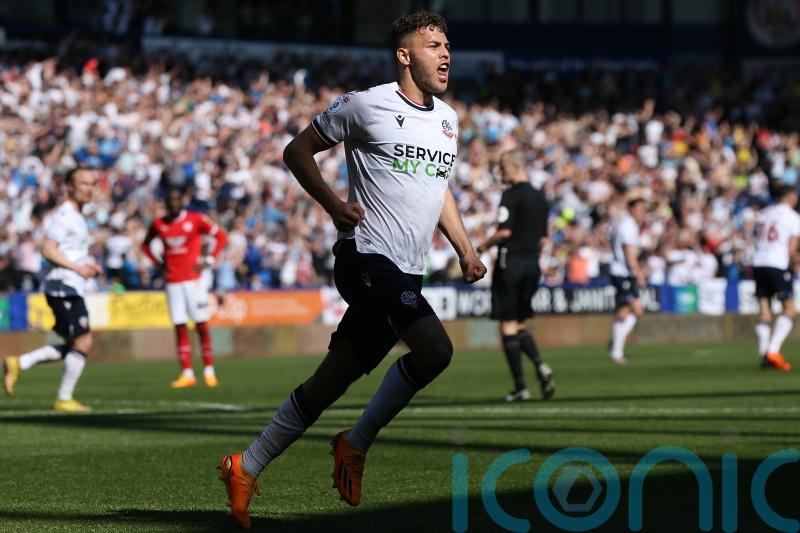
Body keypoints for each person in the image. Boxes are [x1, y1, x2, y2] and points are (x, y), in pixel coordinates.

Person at [216, 11, 486, 529]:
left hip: (407, 272)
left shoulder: (448, 119)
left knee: (329, 384)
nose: (446, 53)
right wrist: (334, 205)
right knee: (435, 349)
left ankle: (245, 466)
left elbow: (439, 189)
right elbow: (297, 150)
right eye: (433, 45)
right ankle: (356, 443)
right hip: (364, 258)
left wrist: (465, 249)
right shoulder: (367, 104)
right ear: (405, 55)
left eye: (447, 45)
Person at [3, 167, 102, 412]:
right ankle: (63, 398)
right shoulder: (65, 216)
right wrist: (78, 268)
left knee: (75, 345)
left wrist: (85, 265)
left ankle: (19, 362)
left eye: (92, 183)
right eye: (83, 183)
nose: (89, 188)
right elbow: (48, 249)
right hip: (62, 288)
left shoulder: (78, 216)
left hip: (70, 287)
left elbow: (68, 250)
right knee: (83, 342)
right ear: (69, 186)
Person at [476, 149, 555, 401]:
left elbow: (504, 233)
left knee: (507, 325)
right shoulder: (540, 197)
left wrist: (482, 247)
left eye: (502, 167)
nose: (500, 173)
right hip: (533, 265)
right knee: (519, 323)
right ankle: (541, 365)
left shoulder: (510, 195)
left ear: (515, 167)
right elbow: (544, 238)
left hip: (511, 263)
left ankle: (521, 387)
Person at [141, 187, 228, 388]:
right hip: (173, 282)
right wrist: (158, 262)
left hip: (193, 280)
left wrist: (208, 259)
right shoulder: (158, 224)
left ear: (182, 202)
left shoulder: (196, 219)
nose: (173, 205)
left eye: (176, 201)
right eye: (169, 202)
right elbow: (145, 245)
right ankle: (187, 373)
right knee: (180, 326)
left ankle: (209, 370)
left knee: (201, 325)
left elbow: (221, 237)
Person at [752, 185, 800, 371]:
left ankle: (764, 355)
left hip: (758, 262)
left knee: (764, 310)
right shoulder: (793, 217)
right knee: (789, 309)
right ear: (790, 196)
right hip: (777, 264)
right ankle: (772, 351)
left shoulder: (764, 214)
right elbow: (791, 249)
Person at [608, 198, 648, 363]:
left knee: (624, 312)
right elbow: (628, 253)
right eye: (639, 209)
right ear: (631, 210)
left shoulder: (622, 224)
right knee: (636, 310)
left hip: (620, 272)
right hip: (623, 273)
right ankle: (616, 350)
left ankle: (617, 349)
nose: (642, 213)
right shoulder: (628, 226)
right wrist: (638, 273)